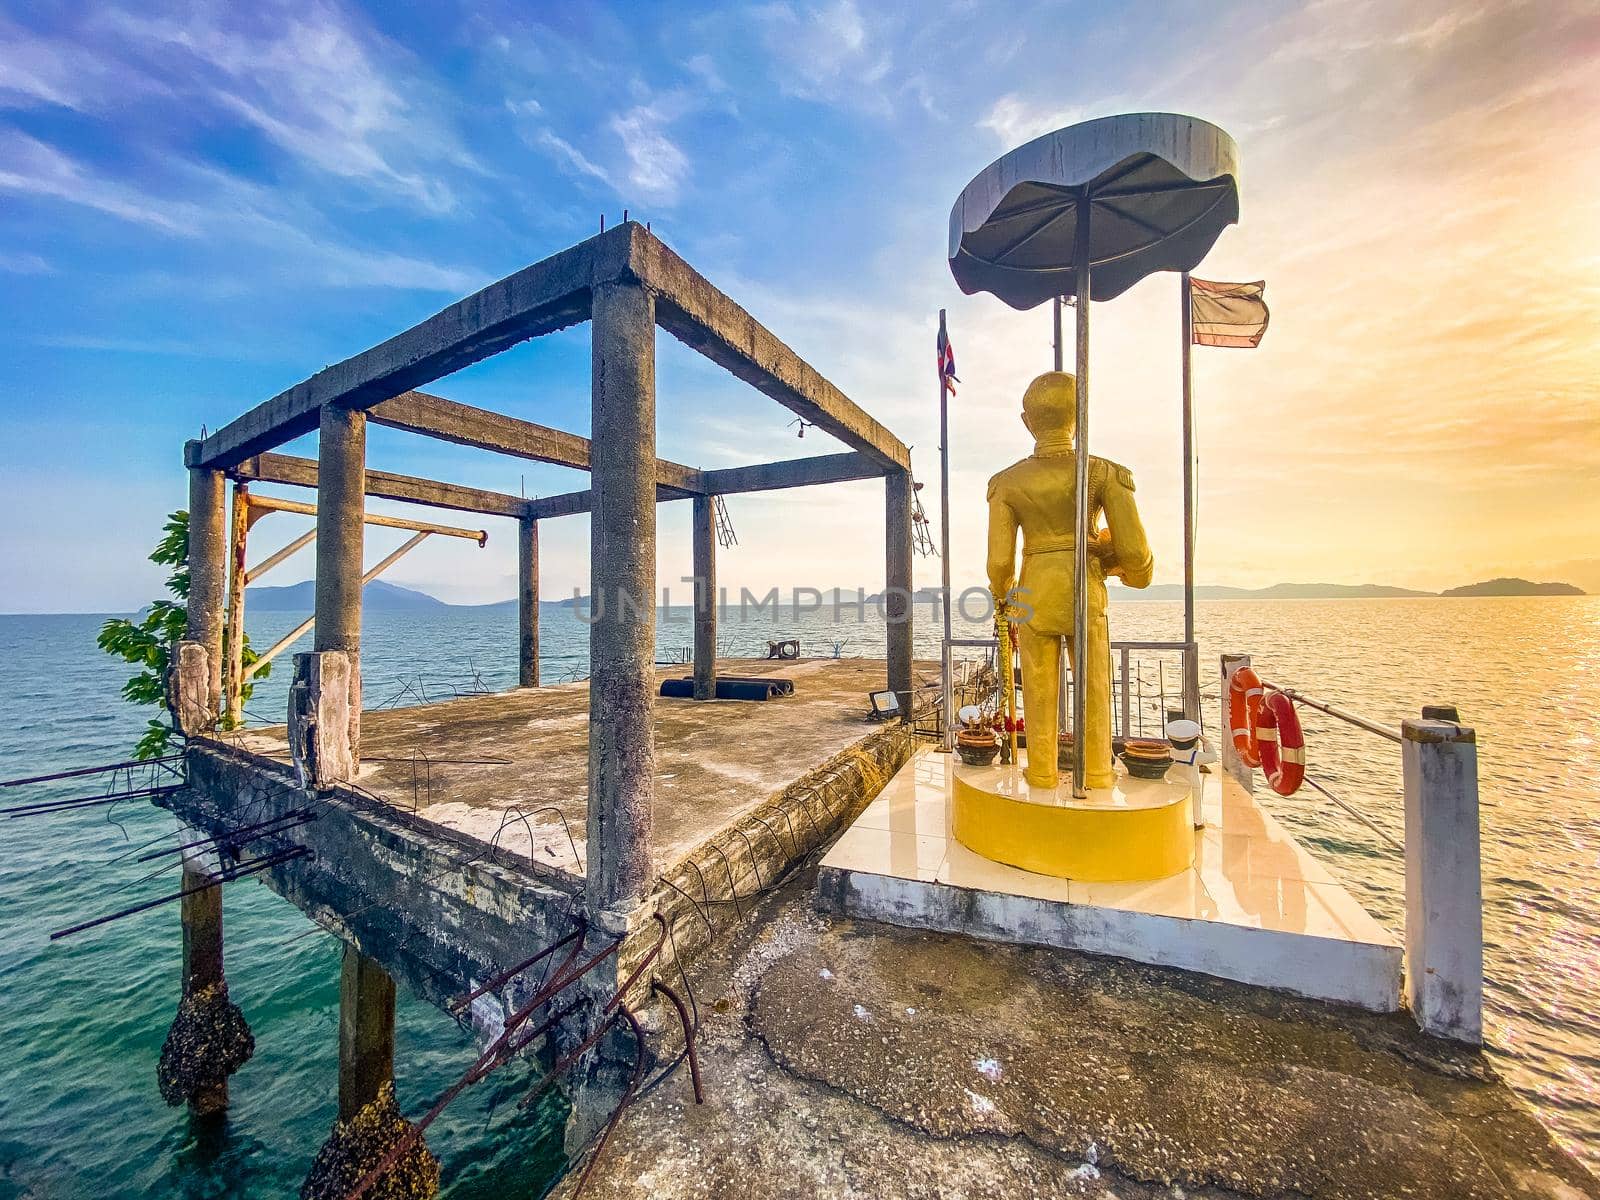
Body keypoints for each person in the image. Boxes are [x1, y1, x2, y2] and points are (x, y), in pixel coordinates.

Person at [986, 371, 1153, 789]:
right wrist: (1121, 564)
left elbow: (998, 563)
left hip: (1034, 592)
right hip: (1086, 589)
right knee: (1094, 689)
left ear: (1028, 421)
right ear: (1079, 415)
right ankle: (1097, 771)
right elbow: (1135, 554)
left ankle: (1041, 772)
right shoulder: (1105, 473)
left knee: (1039, 695)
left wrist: (1002, 599)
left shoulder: (1005, 483)